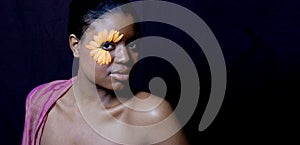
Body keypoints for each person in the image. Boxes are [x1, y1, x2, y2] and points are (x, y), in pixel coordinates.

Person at [22, 0, 188, 144]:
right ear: (76, 46)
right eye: (108, 45)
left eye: (132, 44)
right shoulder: (41, 103)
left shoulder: (153, 116)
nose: (125, 58)